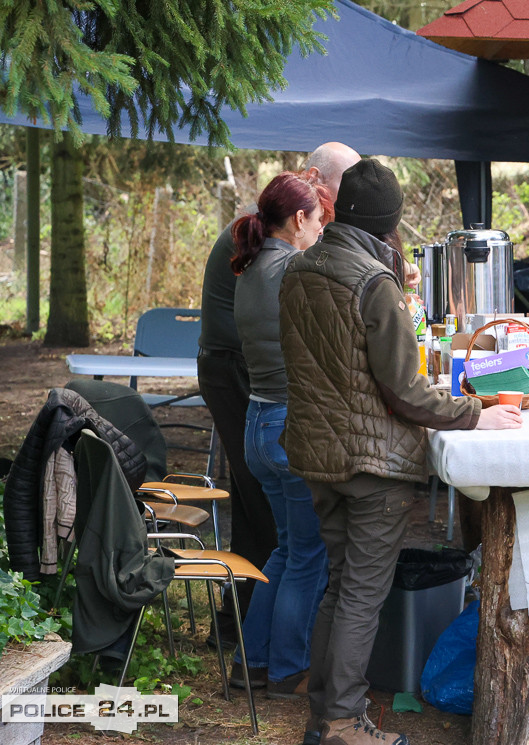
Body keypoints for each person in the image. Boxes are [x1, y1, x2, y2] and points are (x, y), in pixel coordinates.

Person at [278, 159, 522, 745]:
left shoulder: (299, 269)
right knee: (361, 596)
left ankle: (326, 716)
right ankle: (340, 723)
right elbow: (404, 391)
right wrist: (474, 413)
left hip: (318, 455)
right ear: (391, 220)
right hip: (372, 467)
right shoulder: (372, 282)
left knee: (340, 588)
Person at [198, 141, 361, 648]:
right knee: (269, 518)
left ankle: (256, 645)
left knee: (277, 529)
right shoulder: (278, 256)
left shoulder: (266, 239)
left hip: (253, 382)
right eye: (338, 192)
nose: (340, 206)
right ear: (310, 191)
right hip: (239, 374)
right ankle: (263, 643)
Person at [228, 170, 335, 699]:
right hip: (291, 426)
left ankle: (253, 664)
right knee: (308, 555)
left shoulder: (248, 269)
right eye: (317, 220)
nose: (320, 231)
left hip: (258, 425)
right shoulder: (297, 268)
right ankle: (289, 670)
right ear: (299, 219)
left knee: (285, 550)